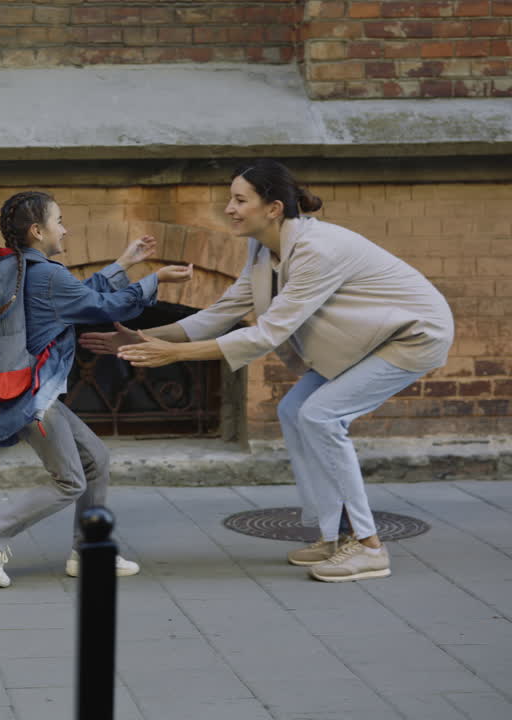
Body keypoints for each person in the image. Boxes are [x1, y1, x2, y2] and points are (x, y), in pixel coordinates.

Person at [81, 159, 454, 583]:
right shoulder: (262, 248)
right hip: (371, 338)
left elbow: (267, 334)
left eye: (240, 200)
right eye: (231, 199)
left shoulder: (316, 250)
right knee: (294, 410)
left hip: (413, 336)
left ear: (273, 208)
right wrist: (140, 339)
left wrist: (176, 354)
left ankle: (369, 547)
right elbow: (223, 312)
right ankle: (334, 536)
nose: (229, 209)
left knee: (321, 416)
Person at [0, 190, 193, 588]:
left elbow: (82, 296)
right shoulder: (46, 275)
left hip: (37, 391)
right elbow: (104, 307)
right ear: (38, 230)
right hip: (36, 397)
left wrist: (125, 263)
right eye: (59, 221)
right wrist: (154, 280)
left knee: (95, 459)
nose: (65, 230)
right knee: (69, 480)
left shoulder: (21, 268)